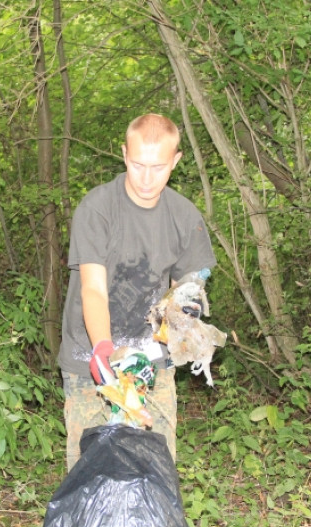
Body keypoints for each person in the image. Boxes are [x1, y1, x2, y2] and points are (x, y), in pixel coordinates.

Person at [58, 113, 217, 470]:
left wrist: (184, 318)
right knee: (90, 474)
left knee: (155, 471)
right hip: (91, 361)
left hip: (152, 364)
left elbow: (185, 293)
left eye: (158, 167)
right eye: (137, 165)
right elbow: (93, 289)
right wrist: (105, 353)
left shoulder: (183, 216)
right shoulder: (97, 209)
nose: (146, 179)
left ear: (175, 161)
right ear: (124, 155)